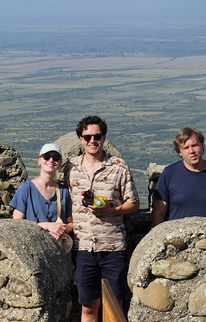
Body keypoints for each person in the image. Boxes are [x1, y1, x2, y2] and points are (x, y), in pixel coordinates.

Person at [64, 116, 140, 322]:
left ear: (104, 138)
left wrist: (111, 210)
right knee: (88, 308)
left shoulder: (118, 166)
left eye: (97, 136)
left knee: (113, 307)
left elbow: (134, 203)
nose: (92, 140)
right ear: (80, 139)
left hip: (113, 247)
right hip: (83, 248)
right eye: (87, 136)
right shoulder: (70, 168)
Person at [152, 127, 206, 226]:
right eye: (186, 148)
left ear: (202, 146)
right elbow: (159, 213)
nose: (191, 151)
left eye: (194, 145)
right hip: (177, 235)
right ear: (179, 152)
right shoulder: (169, 174)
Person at [11, 143, 73, 249]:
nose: (51, 160)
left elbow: (71, 223)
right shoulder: (26, 189)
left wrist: (61, 230)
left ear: (60, 163)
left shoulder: (63, 191)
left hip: (57, 249)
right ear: (39, 160)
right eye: (47, 157)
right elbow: (17, 224)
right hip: (33, 248)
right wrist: (46, 226)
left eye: (56, 158)